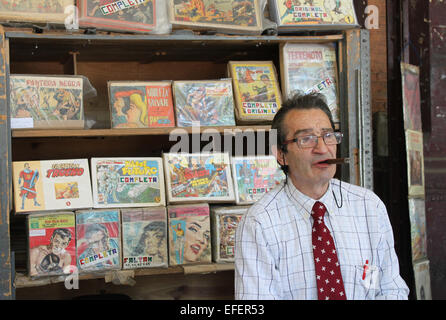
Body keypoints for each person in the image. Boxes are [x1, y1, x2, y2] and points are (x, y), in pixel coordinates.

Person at [234, 92, 409, 300]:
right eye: (306, 139)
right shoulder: (259, 223)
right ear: (281, 154)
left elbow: (392, 289)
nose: (323, 148)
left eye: (328, 136)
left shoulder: (369, 207)